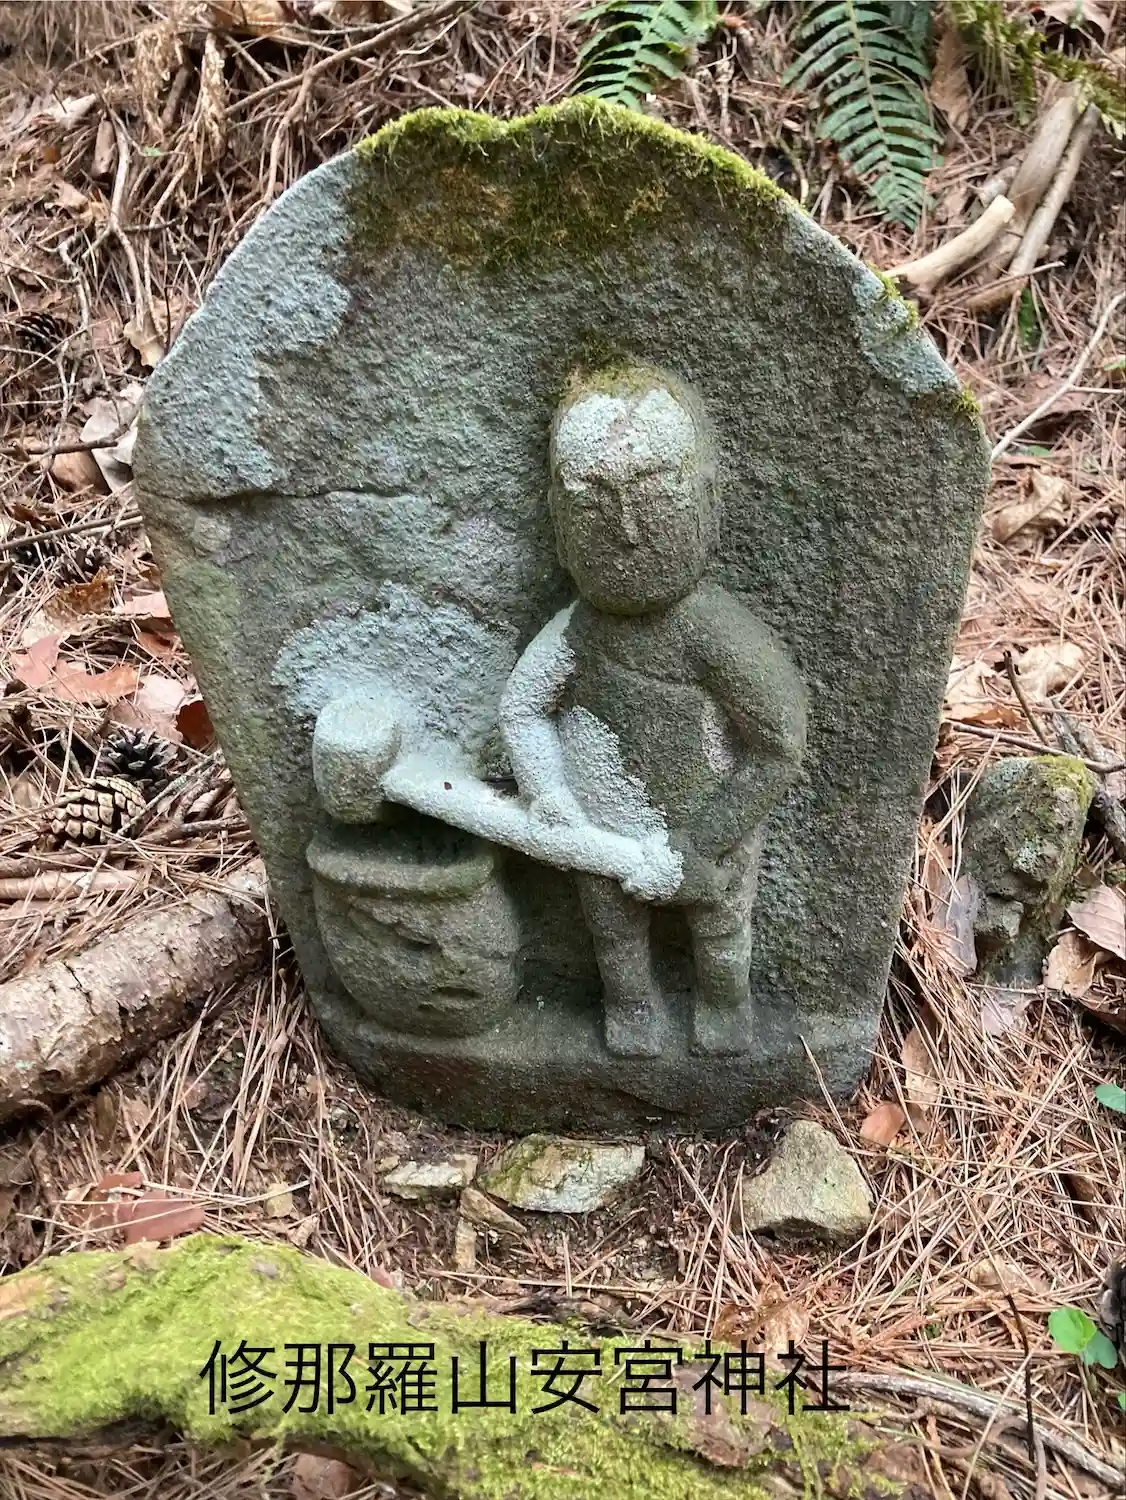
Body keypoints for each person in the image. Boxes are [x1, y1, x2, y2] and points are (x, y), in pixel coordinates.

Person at [499, 366, 807, 1057]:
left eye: (657, 498)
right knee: (613, 932)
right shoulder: (576, 631)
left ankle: (724, 1002)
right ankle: (631, 1005)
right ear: (559, 524)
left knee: (721, 927)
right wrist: (549, 792)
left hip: (712, 826)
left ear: (707, 504)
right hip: (603, 827)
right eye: (592, 507)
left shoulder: (714, 633)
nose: (627, 532)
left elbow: (777, 745)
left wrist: (702, 840)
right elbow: (523, 709)